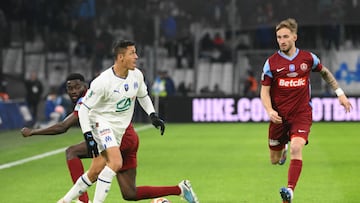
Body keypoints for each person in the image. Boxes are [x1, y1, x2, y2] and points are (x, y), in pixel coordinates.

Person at [57, 40, 199, 203]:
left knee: (99, 174)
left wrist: (153, 115)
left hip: (121, 130)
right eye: (132, 53)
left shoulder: (137, 75)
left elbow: (143, 96)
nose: (136, 57)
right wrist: (88, 136)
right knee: (115, 162)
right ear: (121, 57)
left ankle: (64, 201)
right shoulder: (102, 81)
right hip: (102, 124)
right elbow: (83, 110)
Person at [260, 18, 352, 203]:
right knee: (274, 160)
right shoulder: (271, 63)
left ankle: (290, 191)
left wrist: (339, 93)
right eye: (279, 37)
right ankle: (282, 148)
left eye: (285, 36)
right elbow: (264, 91)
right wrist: (269, 110)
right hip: (279, 116)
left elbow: (325, 73)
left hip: (302, 114)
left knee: (297, 147)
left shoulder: (308, 58)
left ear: (295, 37)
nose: (282, 40)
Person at [21, 73, 93, 203]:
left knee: (74, 153)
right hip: (109, 139)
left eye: (77, 87)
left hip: (110, 140)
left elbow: (63, 127)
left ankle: (83, 200)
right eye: (70, 88)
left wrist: (33, 132)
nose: (74, 91)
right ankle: (83, 200)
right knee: (129, 192)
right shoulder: (87, 97)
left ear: (85, 86)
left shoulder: (86, 100)